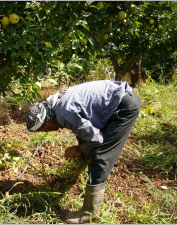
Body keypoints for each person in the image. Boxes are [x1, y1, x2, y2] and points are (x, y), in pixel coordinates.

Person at [25, 80, 141, 224]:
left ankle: (90, 212)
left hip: (123, 107)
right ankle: (87, 166)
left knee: (101, 155)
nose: (45, 132)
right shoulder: (56, 103)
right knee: (90, 144)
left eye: (42, 129)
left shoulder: (64, 113)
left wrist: (79, 149)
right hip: (118, 99)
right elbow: (85, 126)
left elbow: (95, 139)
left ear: (47, 123)